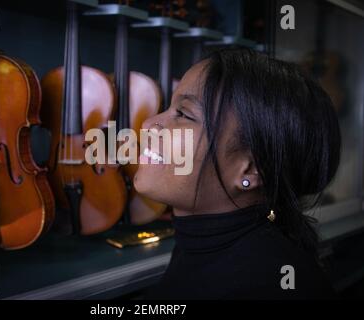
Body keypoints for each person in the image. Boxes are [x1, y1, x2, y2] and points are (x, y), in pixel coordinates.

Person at [134, 48, 341, 300]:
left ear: (250, 170)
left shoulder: (264, 287)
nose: (148, 125)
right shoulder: (200, 242)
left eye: (184, 114)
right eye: (169, 107)